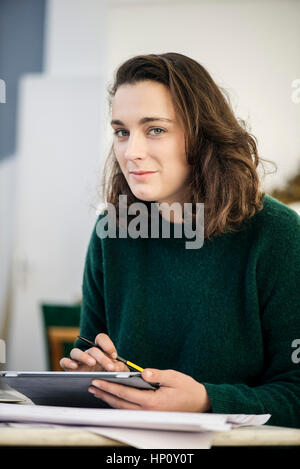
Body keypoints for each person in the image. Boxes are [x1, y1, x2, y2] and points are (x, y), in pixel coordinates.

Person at [60, 53, 300, 427]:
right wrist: (92, 375)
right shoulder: (112, 232)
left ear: (203, 135)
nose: (131, 151)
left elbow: (296, 393)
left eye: (155, 129)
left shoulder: (278, 234)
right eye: (121, 131)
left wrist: (207, 400)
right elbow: (90, 349)